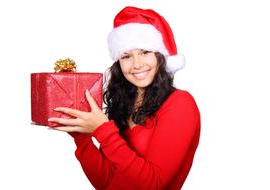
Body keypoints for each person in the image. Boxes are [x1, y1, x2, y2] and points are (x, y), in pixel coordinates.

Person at [48, 6, 201, 190]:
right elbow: (106, 182)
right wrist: (82, 138)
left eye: (145, 52)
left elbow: (153, 185)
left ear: (160, 56)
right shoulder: (123, 105)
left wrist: (103, 130)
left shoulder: (180, 103)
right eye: (126, 56)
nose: (136, 64)